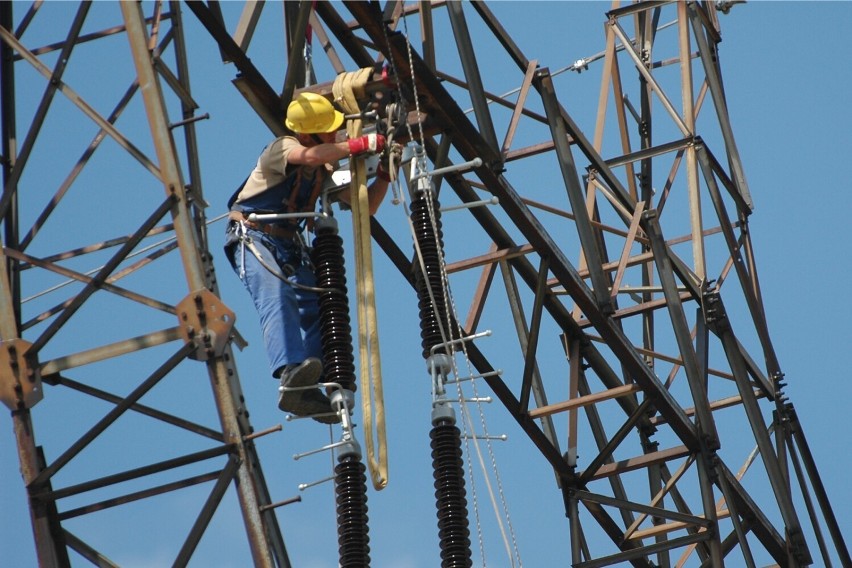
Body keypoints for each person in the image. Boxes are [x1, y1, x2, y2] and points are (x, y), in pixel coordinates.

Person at [224, 92, 392, 423]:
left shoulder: (322, 168)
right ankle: (290, 376)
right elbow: (310, 156)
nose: (335, 135)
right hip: (254, 237)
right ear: (307, 133)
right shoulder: (282, 149)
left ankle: (309, 386)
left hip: (289, 246)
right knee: (277, 293)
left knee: (321, 307)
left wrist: (384, 174)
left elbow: (366, 207)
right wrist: (357, 146)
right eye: (328, 131)